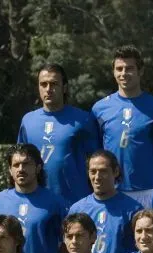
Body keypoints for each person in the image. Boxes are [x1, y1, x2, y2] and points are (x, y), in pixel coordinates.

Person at [92, 45, 153, 207]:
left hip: (150, 190)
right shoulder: (99, 109)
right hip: (113, 190)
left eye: (129, 68)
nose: (124, 73)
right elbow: (96, 151)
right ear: (113, 72)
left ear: (140, 71)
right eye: (119, 69)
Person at [17, 63, 99, 204]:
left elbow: (98, 160)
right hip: (38, 203)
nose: (48, 89)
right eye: (43, 84)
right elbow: (19, 161)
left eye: (54, 84)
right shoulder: (28, 121)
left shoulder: (83, 119)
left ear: (64, 88)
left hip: (75, 201)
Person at [0, 144, 68, 253]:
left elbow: (68, 241)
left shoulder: (55, 202)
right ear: (10, 170)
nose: (21, 169)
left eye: (26, 164)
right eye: (16, 165)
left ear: (38, 168)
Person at [68, 150, 143, 253]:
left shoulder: (133, 209)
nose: (97, 177)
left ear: (116, 171)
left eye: (103, 171)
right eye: (93, 171)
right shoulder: (77, 209)